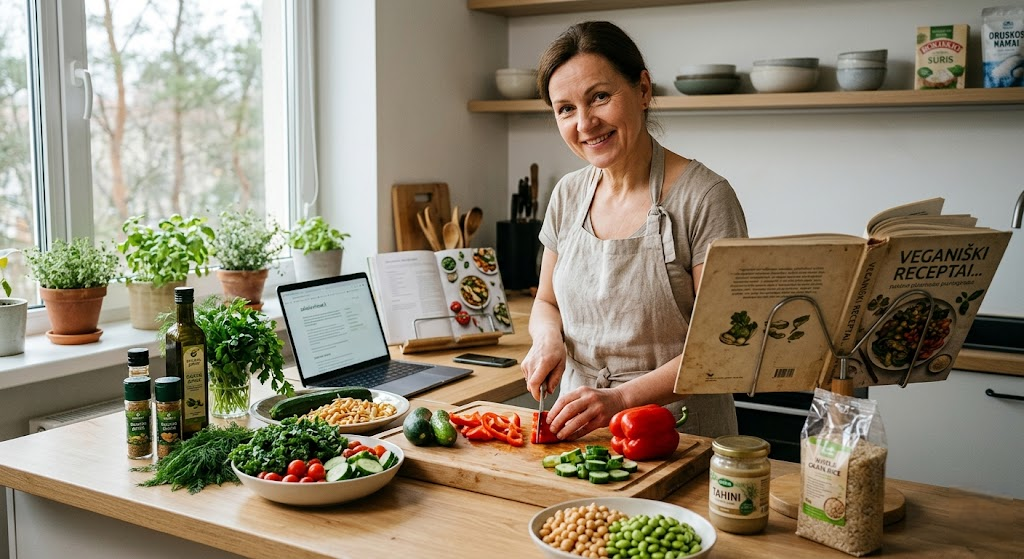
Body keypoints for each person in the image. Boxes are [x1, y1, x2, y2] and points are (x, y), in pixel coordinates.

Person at [521, 21, 748, 440]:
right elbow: (546, 302)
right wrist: (547, 338)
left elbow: (725, 344)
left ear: (643, 90)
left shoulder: (704, 197)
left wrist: (621, 399)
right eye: (565, 109)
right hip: (579, 428)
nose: (585, 123)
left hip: (679, 433)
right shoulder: (567, 194)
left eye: (599, 97)